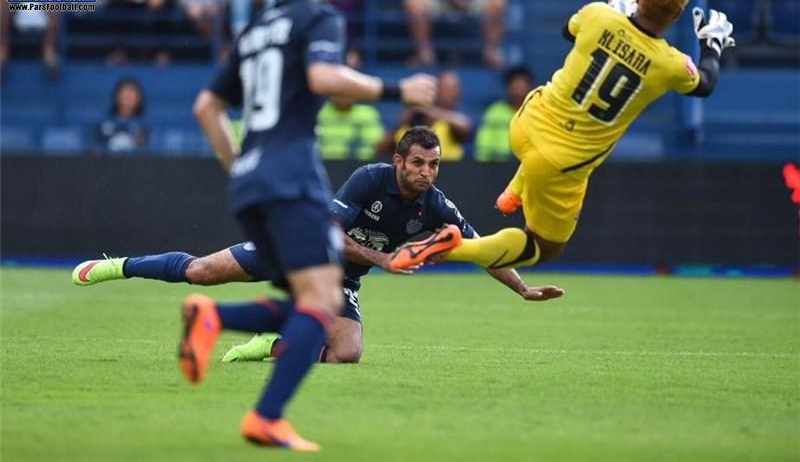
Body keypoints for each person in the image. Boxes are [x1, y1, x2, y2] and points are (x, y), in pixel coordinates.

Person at [85, 0, 434, 451]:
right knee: (320, 301)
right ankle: (250, 385)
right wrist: (396, 89)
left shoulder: (255, 30)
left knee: (310, 302)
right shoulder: (319, 16)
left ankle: (232, 346)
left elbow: (206, 107)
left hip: (253, 179)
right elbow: (323, 79)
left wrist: (240, 164)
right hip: (292, 175)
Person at [72, 127, 564, 364]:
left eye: (434, 164)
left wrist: (522, 288)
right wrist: (382, 258)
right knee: (200, 271)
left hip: (339, 278)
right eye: (418, 163)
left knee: (347, 353)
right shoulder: (369, 179)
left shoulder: (435, 205)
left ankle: (272, 344)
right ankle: (120, 265)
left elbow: (484, 249)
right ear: (398, 161)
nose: (426, 172)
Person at [390, 0, 735, 272]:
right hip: (559, 162)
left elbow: (568, 32)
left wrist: (619, 14)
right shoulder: (669, 64)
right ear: (676, 14)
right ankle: (453, 247)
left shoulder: (598, 14)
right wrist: (712, 42)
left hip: (527, 121)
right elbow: (704, 83)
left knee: (543, 136)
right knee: (544, 248)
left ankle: (516, 190)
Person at [378, 71, 472, 161]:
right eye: (443, 88)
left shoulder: (453, 121)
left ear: (458, 92)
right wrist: (400, 124)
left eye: (450, 89)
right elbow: (381, 150)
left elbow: (465, 126)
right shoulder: (412, 119)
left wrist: (430, 111)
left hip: (450, 169)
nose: (447, 93)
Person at [474, 66, 534, 161]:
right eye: (515, 83)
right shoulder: (494, 112)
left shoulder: (536, 112)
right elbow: (483, 149)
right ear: (508, 87)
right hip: (497, 165)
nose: (519, 87)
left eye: (522, 83)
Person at [316, 97, 384, 160]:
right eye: (340, 93)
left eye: (347, 92)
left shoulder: (368, 113)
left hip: (363, 161)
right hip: (323, 160)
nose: (343, 97)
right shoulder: (319, 112)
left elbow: (377, 142)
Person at [94, 77, 149, 153]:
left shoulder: (146, 125)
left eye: (132, 92)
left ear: (139, 98)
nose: (128, 96)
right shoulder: (103, 123)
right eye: (125, 92)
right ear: (116, 96)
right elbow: (96, 149)